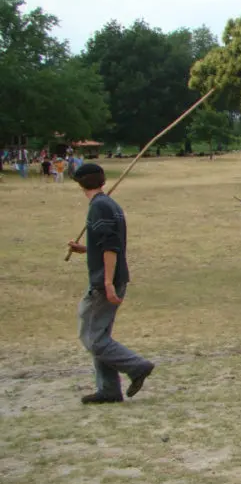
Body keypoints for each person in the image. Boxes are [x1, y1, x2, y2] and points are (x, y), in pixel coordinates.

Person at [67, 163, 154, 404]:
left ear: (80, 183)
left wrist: (107, 282)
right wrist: (85, 249)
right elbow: (106, 244)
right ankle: (108, 389)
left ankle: (137, 366)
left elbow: (111, 248)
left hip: (105, 281)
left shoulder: (100, 207)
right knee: (100, 334)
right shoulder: (108, 205)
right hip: (111, 278)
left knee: (92, 338)